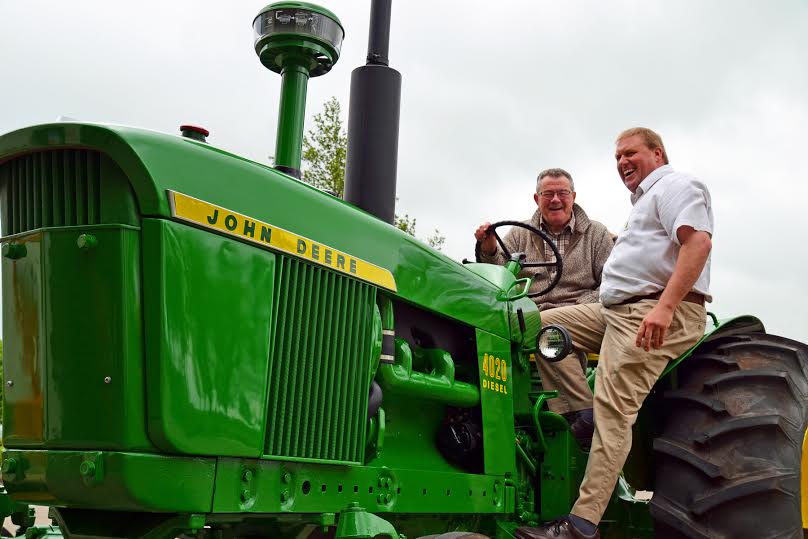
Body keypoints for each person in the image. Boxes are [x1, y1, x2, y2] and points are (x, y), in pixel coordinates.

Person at [516, 128, 713, 539]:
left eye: (630, 153)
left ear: (657, 153)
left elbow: (697, 244)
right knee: (544, 324)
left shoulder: (678, 185)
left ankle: (581, 524)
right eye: (617, 156)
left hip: (653, 312)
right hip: (614, 312)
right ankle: (577, 411)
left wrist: (664, 308)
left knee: (614, 411)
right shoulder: (642, 204)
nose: (622, 162)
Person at [474, 168, 613, 448]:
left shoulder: (596, 234)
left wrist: (577, 307)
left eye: (562, 193)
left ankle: (582, 414)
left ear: (573, 197)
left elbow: (612, 284)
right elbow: (500, 279)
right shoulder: (518, 235)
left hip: (580, 314)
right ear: (537, 198)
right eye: (548, 194)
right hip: (527, 315)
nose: (555, 200)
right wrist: (488, 248)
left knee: (549, 328)